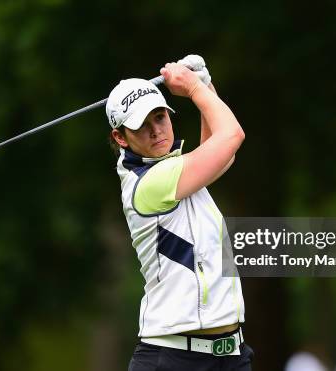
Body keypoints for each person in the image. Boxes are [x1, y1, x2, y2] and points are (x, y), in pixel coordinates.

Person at [106, 55, 252, 371]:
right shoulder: (149, 184)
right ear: (121, 137)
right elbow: (232, 136)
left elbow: (220, 150)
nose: (155, 131)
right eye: (141, 125)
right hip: (174, 360)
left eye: (159, 118)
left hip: (230, 357)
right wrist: (194, 89)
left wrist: (206, 85)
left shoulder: (173, 170)